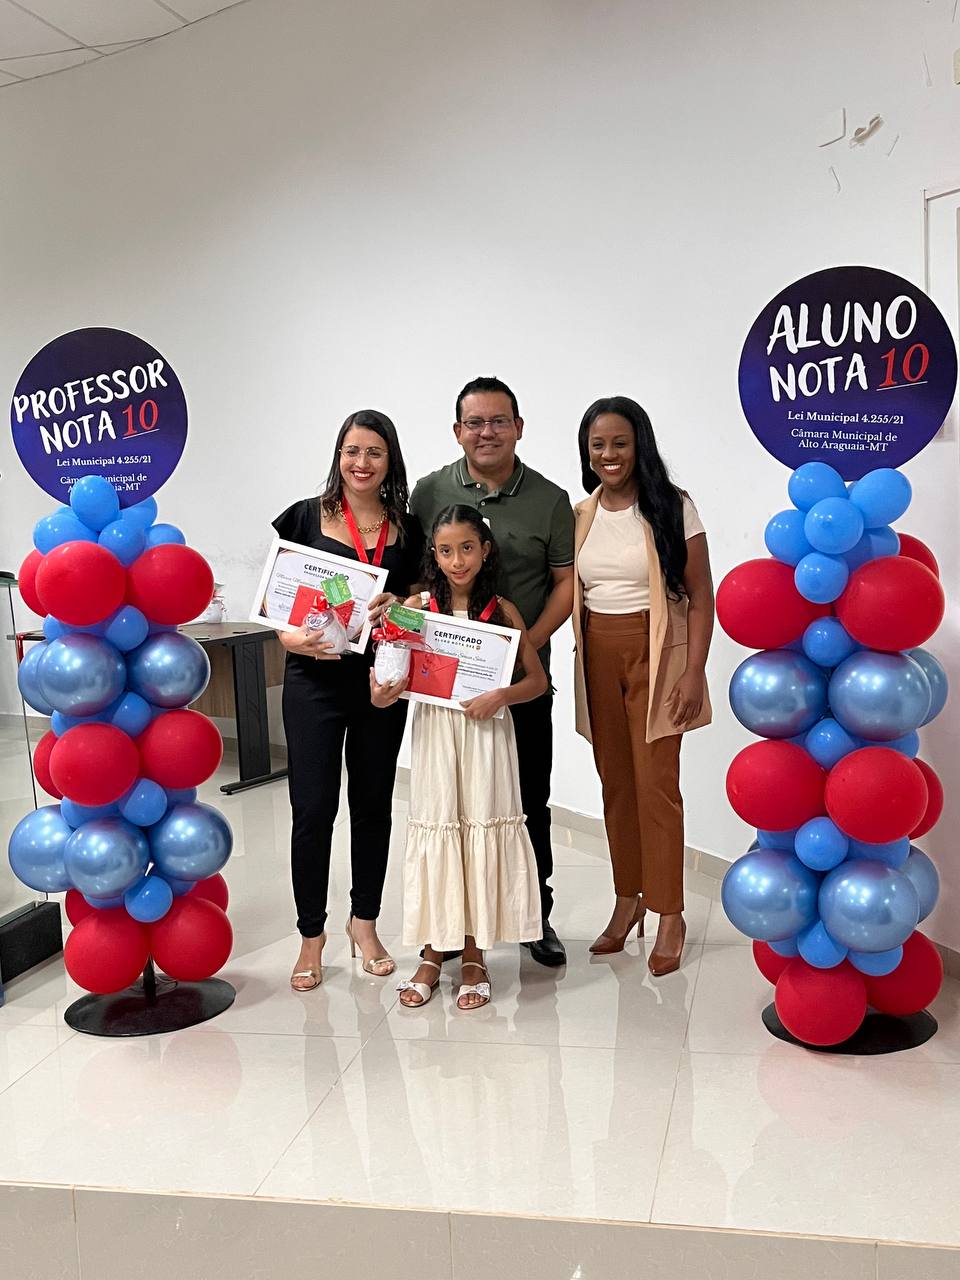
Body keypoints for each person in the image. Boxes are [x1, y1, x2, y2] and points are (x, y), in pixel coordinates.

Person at [408, 377, 574, 967]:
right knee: (453, 806)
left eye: (498, 420)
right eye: (474, 422)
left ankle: (534, 916)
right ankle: (454, 922)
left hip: (519, 680)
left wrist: (517, 646)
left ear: (518, 427)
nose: (487, 432)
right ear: (458, 431)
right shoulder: (429, 491)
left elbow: (565, 586)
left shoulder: (550, 499)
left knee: (528, 799)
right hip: (445, 693)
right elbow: (417, 579)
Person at [370, 506, 547, 1009]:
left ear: (485, 550)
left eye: (467, 548)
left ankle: (474, 955)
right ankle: (432, 954)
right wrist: (381, 691)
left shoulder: (504, 611)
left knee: (478, 830)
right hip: (436, 734)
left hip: (487, 734)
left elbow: (537, 682)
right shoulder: (416, 608)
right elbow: (384, 684)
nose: (457, 561)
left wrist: (501, 696)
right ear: (434, 554)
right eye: (446, 551)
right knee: (441, 827)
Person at [272, 409, 423, 991]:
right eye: (352, 451)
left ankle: (365, 923)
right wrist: (291, 639)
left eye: (374, 453)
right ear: (339, 455)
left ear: (390, 461)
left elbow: (421, 605)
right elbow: (277, 601)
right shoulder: (303, 517)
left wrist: (402, 609)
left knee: (373, 805)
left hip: (379, 685)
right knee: (312, 810)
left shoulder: (407, 529)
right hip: (313, 681)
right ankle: (311, 936)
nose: (362, 463)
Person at [572, 396, 714, 976]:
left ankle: (670, 912)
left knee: (657, 787)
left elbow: (701, 595)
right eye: (598, 445)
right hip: (597, 655)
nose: (609, 454)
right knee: (616, 785)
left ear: (639, 446)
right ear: (587, 451)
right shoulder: (582, 513)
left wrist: (694, 670)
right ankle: (627, 899)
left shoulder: (672, 507)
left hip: (657, 656)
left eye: (620, 443)